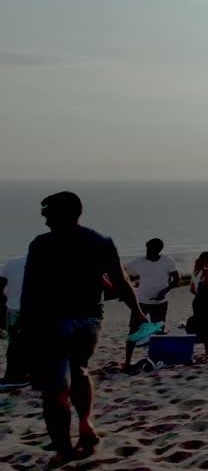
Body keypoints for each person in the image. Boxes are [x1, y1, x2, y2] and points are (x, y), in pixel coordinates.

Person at [21, 191, 146, 466]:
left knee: (55, 388)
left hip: (53, 321)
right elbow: (121, 281)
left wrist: (25, 328)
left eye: (48, 214)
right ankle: (86, 424)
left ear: (61, 213)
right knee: (79, 369)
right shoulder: (100, 241)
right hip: (90, 321)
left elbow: (31, 290)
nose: (45, 221)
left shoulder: (42, 244)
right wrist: (136, 311)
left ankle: (65, 450)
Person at [123, 239, 179, 368]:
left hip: (160, 302)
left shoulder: (167, 261)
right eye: (147, 249)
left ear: (158, 250)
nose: (148, 252)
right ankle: (127, 362)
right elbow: (122, 269)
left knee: (158, 330)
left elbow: (176, 280)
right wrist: (131, 284)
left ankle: (157, 359)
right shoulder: (140, 261)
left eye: (150, 249)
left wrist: (165, 291)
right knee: (134, 330)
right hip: (141, 302)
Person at [1, 254, 28, 389]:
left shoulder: (11, 262)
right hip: (34, 311)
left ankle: (14, 376)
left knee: (14, 344)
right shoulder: (46, 263)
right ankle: (19, 376)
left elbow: (2, 285)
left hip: (12, 308)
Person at [187, 252, 208, 356]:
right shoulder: (206, 272)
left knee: (202, 324)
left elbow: (192, 289)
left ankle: (207, 349)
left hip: (198, 301)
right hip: (206, 302)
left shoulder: (197, 271)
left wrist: (200, 295)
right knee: (207, 325)